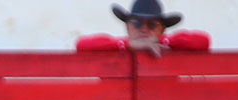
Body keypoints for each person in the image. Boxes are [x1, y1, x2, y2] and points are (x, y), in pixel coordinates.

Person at [76, 0, 209, 57]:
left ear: (162, 29)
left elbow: (203, 41)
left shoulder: (169, 45)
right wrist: (129, 44)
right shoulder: (117, 46)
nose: (144, 29)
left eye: (151, 25)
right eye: (137, 24)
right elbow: (81, 44)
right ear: (127, 27)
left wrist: (157, 42)